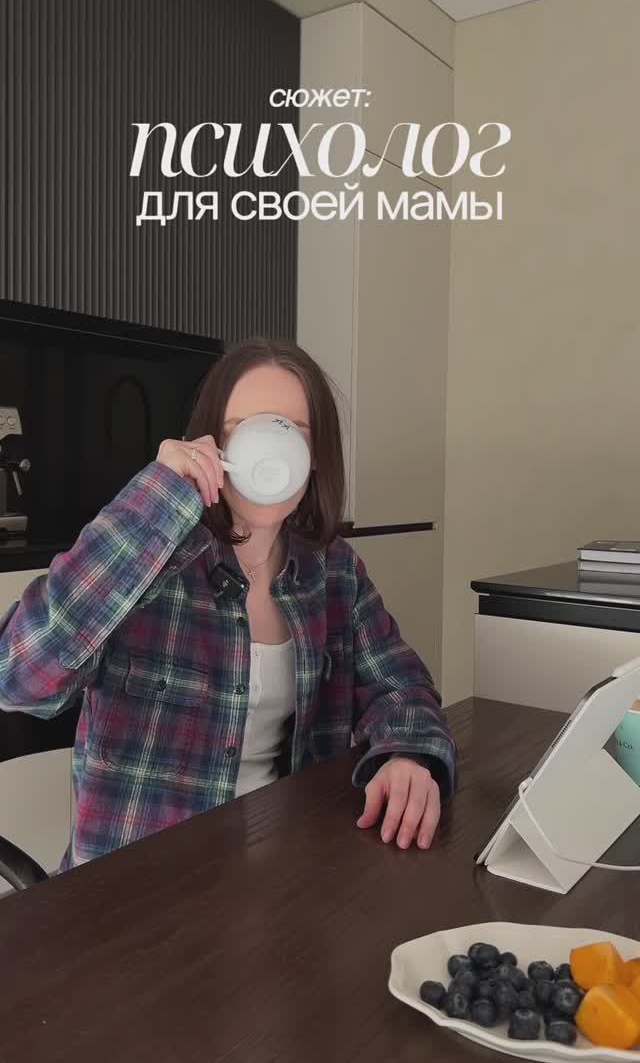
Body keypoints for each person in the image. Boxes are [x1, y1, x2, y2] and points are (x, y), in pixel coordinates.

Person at [0, 339, 456, 870]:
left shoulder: (333, 570)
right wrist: (157, 498)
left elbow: (401, 684)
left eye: (291, 431)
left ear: (315, 457)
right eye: (242, 429)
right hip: (139, 890)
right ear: (211, 444)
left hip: (291, 874)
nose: (269, 449)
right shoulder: (149, 555)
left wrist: (408, 754)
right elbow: (19, 676)